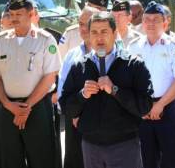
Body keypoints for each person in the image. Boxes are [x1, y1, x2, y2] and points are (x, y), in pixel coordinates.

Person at [60, 12, 153, 168]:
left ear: (115, 33)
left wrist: (115, 90)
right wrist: (82, 95)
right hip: (91, 146)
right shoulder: (79, 66)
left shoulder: (133, 64)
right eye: (94, 32)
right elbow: (66, 107)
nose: (99, 37)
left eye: (104, 31)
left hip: (125, 145)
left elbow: (145, 105)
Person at [0, 0, 61, 168]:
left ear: (30, 14)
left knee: (41, 158)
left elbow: (50, 76)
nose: (14, 18)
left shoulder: (45, 39)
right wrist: (6, 103)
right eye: (11, 14)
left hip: (37, 107)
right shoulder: (0, 40)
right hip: (8, 109)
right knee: (10, 159)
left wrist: (27, 107)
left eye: (19, 14)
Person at [129, 1, 175, 168]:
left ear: (165, 22)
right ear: (142, 22)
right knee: (146, 161)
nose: (151, 23)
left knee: (173, 160)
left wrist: (160, 105)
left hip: (169, 108)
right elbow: (128, 80)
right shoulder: (133, 47)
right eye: (147, 19)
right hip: (143, 111)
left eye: (156, 19)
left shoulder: (174, 46)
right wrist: (140, 107)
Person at [58, 6, 97, 168]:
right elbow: (62, 88)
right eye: (80, 23)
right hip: (74, 122)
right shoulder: (72, 55)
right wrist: (72, 113)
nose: (82, 28)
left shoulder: (112, 53)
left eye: (86, 24)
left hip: (100, 123)